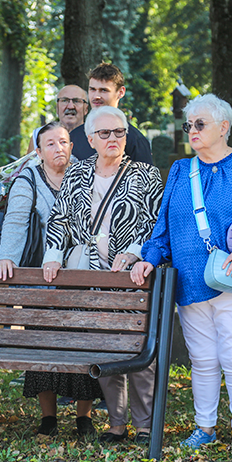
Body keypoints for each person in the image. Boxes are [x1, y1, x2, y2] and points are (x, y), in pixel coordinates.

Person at [131, 94, 232, 451]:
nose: (193, 131)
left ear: (224, 127)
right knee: (201, 359)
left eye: (200, 124)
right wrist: (150, 258)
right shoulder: (182, 172)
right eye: (189, 125)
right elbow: (163, 227)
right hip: (189, 279)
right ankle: (205, 427)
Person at [42, 106, 164, 444]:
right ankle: (116, 423)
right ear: (91, 138)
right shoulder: (77, 172)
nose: (114, 139)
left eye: (119, 132)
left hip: (128, 275)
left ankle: (144, 425)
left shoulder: (145, 174)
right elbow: (59, 219)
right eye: (105, 133)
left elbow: (153, 223)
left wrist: (135, 252)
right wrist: (53, 256)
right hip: (87, 271)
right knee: (104, 347)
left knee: (137, 348)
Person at [0, 122, 100, 438]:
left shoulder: (87, 175)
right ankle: (48, 419)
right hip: (41, 273)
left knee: (83, 342)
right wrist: (7, 257)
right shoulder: (28, 177)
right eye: (51, 144)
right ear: (38, 152)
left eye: (64, 142)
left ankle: (84, 418)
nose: (59, 148)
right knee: (42, 342)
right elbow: (15, 221)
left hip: (82, 272)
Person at [68, 63, 153, 165]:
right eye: (92, 89)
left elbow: (146, 179)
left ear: (121, 92)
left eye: (103, 90)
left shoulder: (135, 141)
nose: (96, 96)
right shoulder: (73, 137)